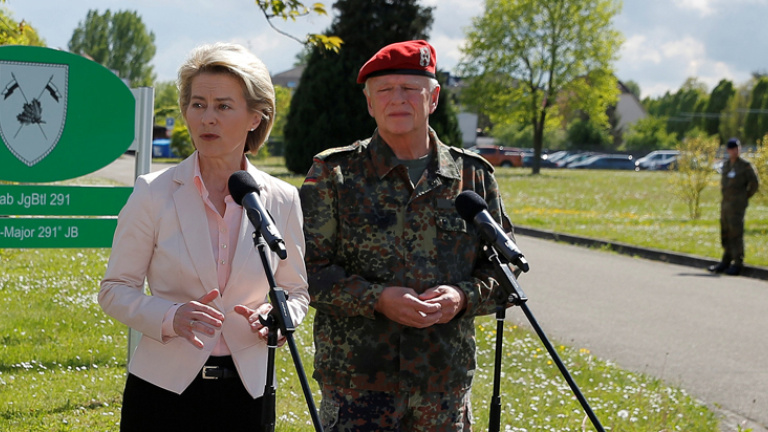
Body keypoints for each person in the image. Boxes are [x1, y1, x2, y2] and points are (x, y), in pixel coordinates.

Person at [300, 40, 516, 432]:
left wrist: (461, 297)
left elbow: (505, 270)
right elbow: (305, 273)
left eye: (410, 89)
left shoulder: (472, 176)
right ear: (370, 103)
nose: (397, 99)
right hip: (358, 384)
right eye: (384, 90)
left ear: (433, 98)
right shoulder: (334, 175)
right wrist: (377, 299)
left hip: (443, 383)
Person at [99, 42, 309, 431]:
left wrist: (277, 319)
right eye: (198, 105)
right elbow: (114, 290)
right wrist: (170, 317)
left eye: (223, 106)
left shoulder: (281, 198)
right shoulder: (153, 192)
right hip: (162, 392)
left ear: (255, 117)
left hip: (249, 393)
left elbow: (295, 292)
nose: (207, 118)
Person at [708, 137, 759, 276]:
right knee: (725, 233)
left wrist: (744, 197)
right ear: (728, 150)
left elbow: (754, 184)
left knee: (736, 233)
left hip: (737, 206)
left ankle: (737, 263)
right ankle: (726, 261)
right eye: (732, 149)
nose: (735, 151)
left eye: (737, 148)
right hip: (725, 205)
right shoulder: (726, 164)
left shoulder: (745, 166)